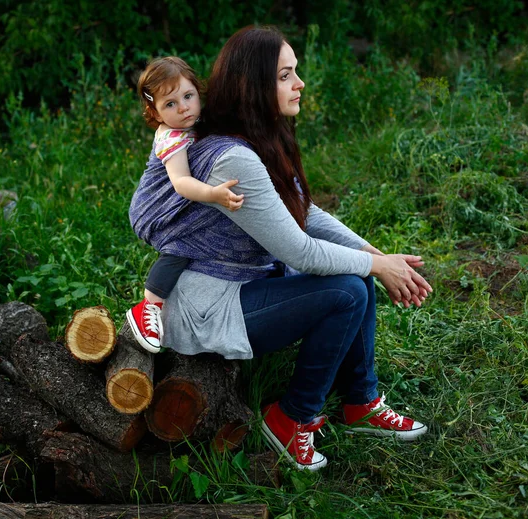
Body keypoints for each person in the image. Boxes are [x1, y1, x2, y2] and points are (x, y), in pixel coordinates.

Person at [129, 26, 433, 470]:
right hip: (206, 303)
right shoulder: (232, 157)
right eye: (286, 75)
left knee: (359, 281)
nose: (300, 83)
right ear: (255, 86)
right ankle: (292, 419)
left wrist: (377, 256)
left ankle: (360, 402)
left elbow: (303, 211)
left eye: (296, 72)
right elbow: (300, 250)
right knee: (349, 288)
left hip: (242, 281)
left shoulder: (257, 137)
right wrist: (375, 264)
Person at [126, 57, 244, 353]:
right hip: (155, 207)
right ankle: (148, 307)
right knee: (180, 248)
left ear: (198, 91)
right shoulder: (171, 136)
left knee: (194, 244)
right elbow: (180, 182)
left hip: (178, 202)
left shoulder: (192, 123)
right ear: (154, 112)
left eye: (188, 96)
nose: (183, 108)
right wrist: (214, 194)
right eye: (170, 104)